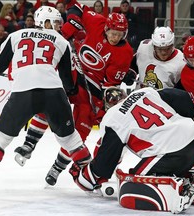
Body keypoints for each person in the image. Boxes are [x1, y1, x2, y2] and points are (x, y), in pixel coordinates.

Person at [13, 1, 134, 186]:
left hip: (92, 90)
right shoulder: (97, 22)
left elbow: (109, 86)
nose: (115, 37)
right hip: (71, 69)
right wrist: (71, 24)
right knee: (49, 98)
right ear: (106, 28)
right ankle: (29, 143)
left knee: (82, 126)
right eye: (112, 32)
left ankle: (58, 166)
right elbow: (76, 6)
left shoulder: (124, 53)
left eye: (119, 34)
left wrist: (103, 103)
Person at [0, 6, 91, 191]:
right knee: (71, 141)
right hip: (54, 93)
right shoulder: (61, 41)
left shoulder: (16, 35)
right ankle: (92, 175)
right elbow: (69, 82)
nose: (57, 26)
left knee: (0, 138)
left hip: (23, 92)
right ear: (45, 22)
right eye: (55, 22)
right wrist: (70, 94)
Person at [69, 87, 194, 213]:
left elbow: (104, 165)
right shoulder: (144, 92)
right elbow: (184, 98)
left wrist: (82, 176)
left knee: (132, 183)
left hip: (170, 153)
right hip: (193, 144)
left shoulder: (113, 118)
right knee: (156, 170)